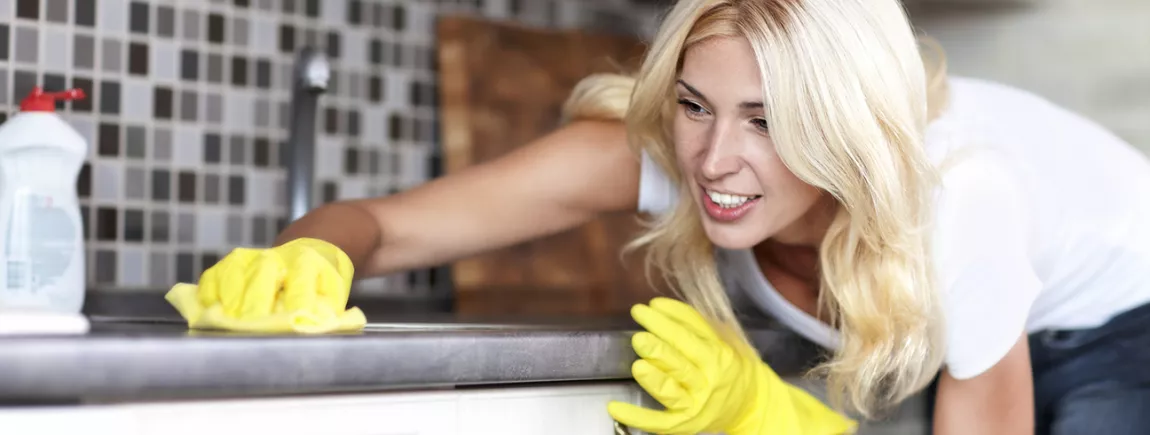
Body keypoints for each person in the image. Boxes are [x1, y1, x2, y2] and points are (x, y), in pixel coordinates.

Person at [192, 0, 1150, 433]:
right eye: (696, 104)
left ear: (846, 131)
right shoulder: (659, 148)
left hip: (1126, 317)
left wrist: (772, 424)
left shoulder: (959, 207)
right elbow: (385, 226)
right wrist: (308, 255)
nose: (715, 160)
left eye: (769, 122)